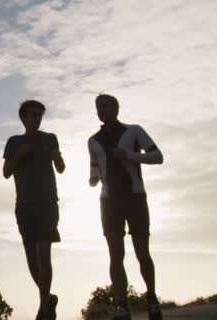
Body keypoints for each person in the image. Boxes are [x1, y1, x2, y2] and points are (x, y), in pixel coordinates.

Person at [87, 94, 164, 320]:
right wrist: (92, 179)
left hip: (135, 197)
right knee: (115, 255)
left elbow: (157, 156)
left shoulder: (134, 131)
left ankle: (151, 298)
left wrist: (129, 155)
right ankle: (122, 306)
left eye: (106, 105)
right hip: (109, 202)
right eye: (98, 107)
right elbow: (93, 166)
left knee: (142, 253)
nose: (101, 109)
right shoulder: (93, 140)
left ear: (117, 107)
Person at [3, 100, 65, 320]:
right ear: (23, 117)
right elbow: (6, 172)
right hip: (24, 205)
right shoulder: (14, 141)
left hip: (47, 203)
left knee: (44, 255)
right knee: (31, 259)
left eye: (40, 115)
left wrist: (57, 157)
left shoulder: (49, 139)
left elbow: (61, 168)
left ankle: (42, 310)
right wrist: (20, 154)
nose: (37, 118)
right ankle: (48, 299)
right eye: (33, 114)